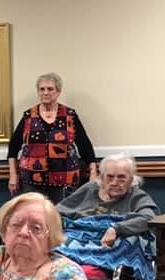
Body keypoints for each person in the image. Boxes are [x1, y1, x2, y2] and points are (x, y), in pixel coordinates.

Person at [56, 153, 159, 280]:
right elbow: (56, 212)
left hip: (107, 247)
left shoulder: (136, 196)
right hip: (75, 241)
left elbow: (149, 217)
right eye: (109, 177)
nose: (115, 182)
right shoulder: (89, 189)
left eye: (121, 177)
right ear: (102, 177)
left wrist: (116, 229)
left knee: (130, 242)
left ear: (132, 179)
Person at [7, 72, 97, 203]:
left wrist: (93, 174)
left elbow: (85, 146)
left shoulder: (70, 115)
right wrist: (13, 175)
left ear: (58, 91)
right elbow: (13, 148)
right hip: (32, 180)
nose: (45, 92)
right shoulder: (28, 116)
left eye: (50, 89)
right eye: (42, 89)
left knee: (60, 217)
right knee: (35, 216)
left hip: (65, 178)